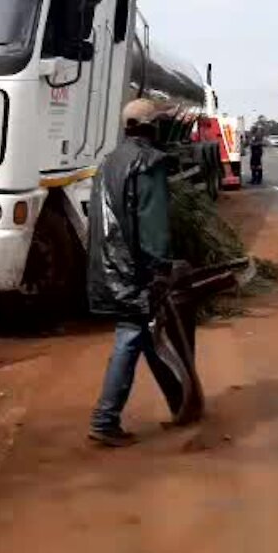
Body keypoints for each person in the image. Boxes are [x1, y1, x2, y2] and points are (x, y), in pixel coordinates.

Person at [87, 98, 182, 447]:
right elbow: (153, 224)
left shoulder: (108, 161)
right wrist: (161, 269)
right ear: (150, 127)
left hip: (111, 264)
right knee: (132, 335)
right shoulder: (149, 164)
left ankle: (181, 403)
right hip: (135, 270)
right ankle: (104, 419)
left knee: (147, 333)